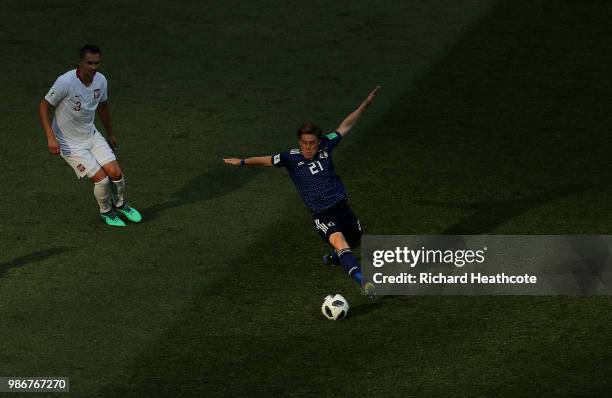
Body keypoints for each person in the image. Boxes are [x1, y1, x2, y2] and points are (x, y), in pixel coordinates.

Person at [224, 86, 380, 295]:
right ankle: (362, 281)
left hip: (341, 205)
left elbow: (345, 127)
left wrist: (364, 105)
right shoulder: (290, 157)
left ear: (318, 141)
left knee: (356, 240)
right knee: (340, 241)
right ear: (299, 142)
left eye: (312, 143)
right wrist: (241, 161)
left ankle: (335, 257)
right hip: (321, 213)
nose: (308, 148)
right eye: (304, 143)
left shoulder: (327, 145)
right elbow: (266, 160)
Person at [38, 44, 141, 227]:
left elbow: (103, 106)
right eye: (89, 63)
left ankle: (120, 205)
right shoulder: (66, 82)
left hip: (91, 135)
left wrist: (110, 133)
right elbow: (43, 106)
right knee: (101, 179)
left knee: (116, 173)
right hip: (69, 143)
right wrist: (50, 137)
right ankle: (106, 212)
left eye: (97, 63)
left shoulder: (101, 81)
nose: (93, 67)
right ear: (80, 62)